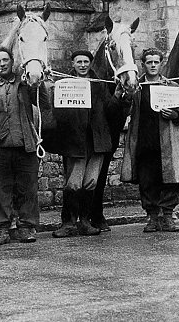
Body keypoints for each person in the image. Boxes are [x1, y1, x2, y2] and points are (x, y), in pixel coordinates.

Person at [52, 50, 128, 238]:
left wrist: (117, 96)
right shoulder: (65, 85)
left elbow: (110, 111)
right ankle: (68, 222)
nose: (83, 65)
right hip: (75, 141)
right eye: (79, 62)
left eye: (86, 62)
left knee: (91, 182)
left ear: (91, 63)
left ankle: (85, 221)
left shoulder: (100, 85)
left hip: (96, 141)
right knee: (73, 183)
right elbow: (57, 113)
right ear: (73, 64)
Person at [0, 47, 46, 245]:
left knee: (27, 188)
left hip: (26, 146)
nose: (2, 64)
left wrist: (38, 83)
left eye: (5, 60)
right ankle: (2, 229)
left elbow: (43, 104)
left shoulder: (25, 84)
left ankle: (25, 227)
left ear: (12, 61)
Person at [121, 48, 179, 232]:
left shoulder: (171, 87)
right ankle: (152, 217)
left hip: (166, 141)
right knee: (147, 180)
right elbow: (124, 108)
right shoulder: (136, 87)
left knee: (169, 179)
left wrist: (175, 113)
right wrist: (125, 95)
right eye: (149, 62)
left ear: (161, 63)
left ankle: (167, 217)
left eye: (156, 62)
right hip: (144, 140)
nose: (152, 65)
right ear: (143, 64)